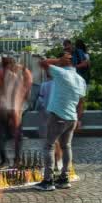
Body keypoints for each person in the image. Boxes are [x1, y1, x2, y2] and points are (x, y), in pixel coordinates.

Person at [37, 52, 88, 191]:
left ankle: (48, 180)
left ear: (68, 61)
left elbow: (42, 63)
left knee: (49, 146)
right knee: (66, 146)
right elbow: (81, 102)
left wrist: (58, 59)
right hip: (72, 117)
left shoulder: (61, 73)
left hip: (58, 115)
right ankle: (64, 178)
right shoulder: (80, 79)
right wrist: (79, 118)